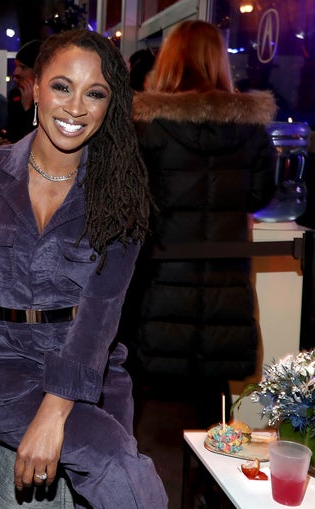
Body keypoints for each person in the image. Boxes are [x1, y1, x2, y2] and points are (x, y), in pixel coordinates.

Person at [0, 29, 167, 508]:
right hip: (5, 363)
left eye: (96, 93)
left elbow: (100, 313)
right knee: (116, 462)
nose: (75, 107)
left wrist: (56, 410)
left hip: (92, 365)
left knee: (118, 461)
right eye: (63, 86)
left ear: (111, 106)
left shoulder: (120, 192)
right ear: (34, 88)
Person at [125, 19, 277, 425]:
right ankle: (211, 488)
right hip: (224, 284)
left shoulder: (148, 126)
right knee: (214, 405)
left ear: (169, 60)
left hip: (160, 284)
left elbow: (134, 202)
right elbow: (260, 196)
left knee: (147, 408)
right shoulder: (251, 129)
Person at [6, 39, 41, 142]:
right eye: (16, 66)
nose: (16, 72)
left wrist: (29, 108)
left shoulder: (50, 98)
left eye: (23, 67)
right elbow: (14, 136)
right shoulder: (15, 94)